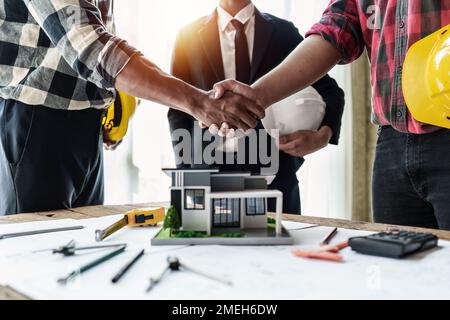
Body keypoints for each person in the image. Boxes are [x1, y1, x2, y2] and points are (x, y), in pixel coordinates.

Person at [0, 0, 265, 215]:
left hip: (85, 124)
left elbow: (100, 35)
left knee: (82, 245)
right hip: (36, 120)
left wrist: (106, 103)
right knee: (37, 251)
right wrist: (200, 104)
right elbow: (90, 44)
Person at [212, 0, 450, 229]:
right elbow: (337, 29)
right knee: (400, 265)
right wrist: (255, 96)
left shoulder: (280, 30)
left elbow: (331, 91)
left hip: (444, 130)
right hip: (391, 145)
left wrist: (324, 132)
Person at [168, 0, 345, 214]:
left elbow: (331, 92)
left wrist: (323, 136)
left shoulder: (284, 33)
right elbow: (177, 108)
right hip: (207, 176)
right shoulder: (187, 36)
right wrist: (185, 173)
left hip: (276, 178)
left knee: (281, 247)